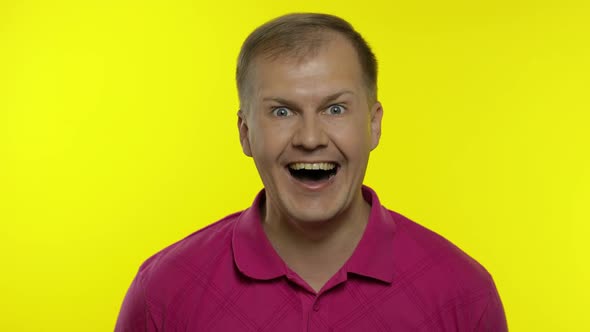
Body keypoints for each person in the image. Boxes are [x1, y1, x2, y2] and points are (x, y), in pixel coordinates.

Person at [115, 13, 508, 331]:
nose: (309, 137)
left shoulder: (462, 292)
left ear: (373, 125)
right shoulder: (164, 291)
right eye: (282, 111)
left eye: (334, 109)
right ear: (245, 133)